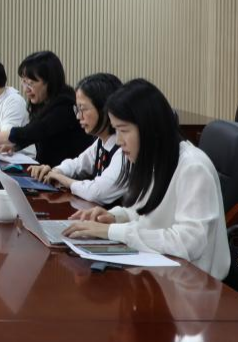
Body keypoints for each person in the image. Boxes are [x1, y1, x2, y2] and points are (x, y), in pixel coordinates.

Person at [63, 79, 230, 280]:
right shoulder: (154, 158)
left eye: (124, 130)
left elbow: (188, 243)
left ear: (149, 127)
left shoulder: (193, 167)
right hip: (163, 273)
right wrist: (115, 216)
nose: (119, 141)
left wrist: (111, 231)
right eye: (116, 130)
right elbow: (146, 212)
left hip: (194, 283)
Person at [29, 73, 127, 205]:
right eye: (77, 109)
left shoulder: (125, 149)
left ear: (105, 108)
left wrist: (62, 179)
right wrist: (55, 171)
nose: (78, 116)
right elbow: (77, 164)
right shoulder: (101, 142)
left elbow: (97, 192)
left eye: (83, 109)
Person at [0, 51, 92, 167]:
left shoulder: (65, 105)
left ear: (49, 82)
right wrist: (15, 146)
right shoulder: (44, 101)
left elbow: (34, 131)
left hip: (64, 172)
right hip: (46, 168)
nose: (26, 89)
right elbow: (36, 133)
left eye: (31, 83)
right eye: (24, 82)